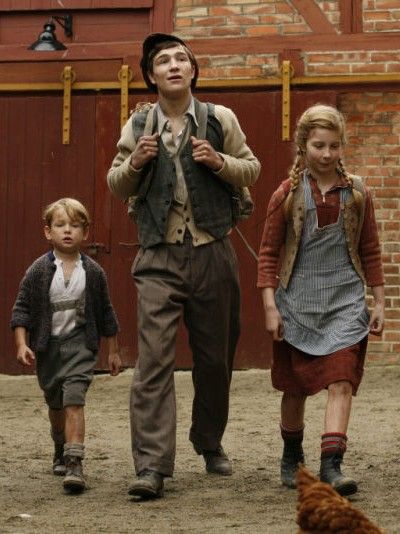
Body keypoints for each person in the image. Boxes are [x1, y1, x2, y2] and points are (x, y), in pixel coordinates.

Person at [107, 32, 260, 499]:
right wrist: (135, 162)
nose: (173, 66)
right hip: (158, 254)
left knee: (215, 359)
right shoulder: (139, 124)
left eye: (181, 59)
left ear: (193, 70)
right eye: (163, 61)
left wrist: (219, 162)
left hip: (213, 249)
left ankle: (209, 441)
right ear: (151, 76)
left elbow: (251, 168)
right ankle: (151, 466)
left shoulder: (219, 118)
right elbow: (116, 183)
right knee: (153, 361)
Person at [257, 104, 384, 496]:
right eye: (318, 146)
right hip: (297, 305)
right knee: (295, 388)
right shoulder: (287, 195)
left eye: (334, 146)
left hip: (345, 302)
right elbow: (268, 254)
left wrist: (379, 302)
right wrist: (271, 307)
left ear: (342, 145)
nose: (327, 154)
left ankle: (332, 465)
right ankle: (292, 454)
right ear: (303, 146)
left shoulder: (357, 194)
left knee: (342, 380)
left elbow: (371, 250)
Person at [11, 198, 121, 493]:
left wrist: (113, 351)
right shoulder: (38, 271)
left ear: (85, 232)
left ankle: (74, 463)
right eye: (60, 225)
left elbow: (106, 313)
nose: (68, 231)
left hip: (80, 345)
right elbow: (21, 309)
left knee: (74, 399)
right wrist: (21, 344)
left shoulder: (94, 273)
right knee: (56, 403)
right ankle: (59, 445)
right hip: (48, 348)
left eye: (75, 225)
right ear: (48, 232)